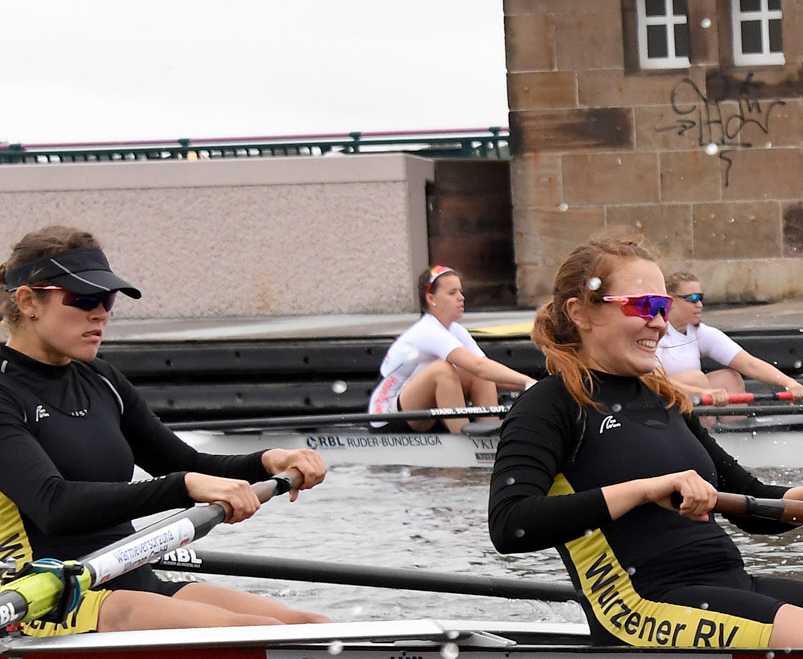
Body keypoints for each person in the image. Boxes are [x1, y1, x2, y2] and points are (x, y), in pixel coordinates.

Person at [489, 233, 803, 651]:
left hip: (727, 584)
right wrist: (644, 490)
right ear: (580, 312)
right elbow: (511, 525)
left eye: (664, 308)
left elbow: (749, 503)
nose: (659, 324)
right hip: (639, 607)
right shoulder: (547, 407)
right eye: (642, 306)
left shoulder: (662, 400)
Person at [0, 226, 328, 635]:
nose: (100, 312)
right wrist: (182, 486)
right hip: (45, 601)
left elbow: (184, 462)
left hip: (130, 581)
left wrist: (268, 462)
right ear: (29, 301)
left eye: (107, 299)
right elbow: (53, 505)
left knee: (312, 624)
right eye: (84, 299)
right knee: (258, 630)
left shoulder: (102, 380)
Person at [372, 265, 534, 432]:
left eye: (461, 291)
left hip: (421, 408)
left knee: (481, 374)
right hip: (386, 416)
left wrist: (532, 386)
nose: (461, 298)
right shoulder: (427, 330)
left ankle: (489, 436)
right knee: (443, 370)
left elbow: (486, 369)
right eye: (452, 293)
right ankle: (464, 441)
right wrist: (529, 383)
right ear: (431, 298)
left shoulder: (456, 330)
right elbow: (480, 367)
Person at [657, 272, 803, 403]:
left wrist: (789, 383)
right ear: (670, 301)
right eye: (693, 298)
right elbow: (653, 382)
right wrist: (702, 393)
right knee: (696, 379)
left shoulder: (699, 332)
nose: (700, 304)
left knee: (730, 378)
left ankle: (736, 431)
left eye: (701, 297)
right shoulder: (655, 331)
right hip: (657, 400)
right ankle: (704, 432)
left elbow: (749, 365)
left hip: (689, 400)